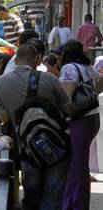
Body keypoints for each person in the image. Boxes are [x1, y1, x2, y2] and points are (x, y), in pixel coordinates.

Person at [0, 44, 73, 209]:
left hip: (27, 148)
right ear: (37, 59)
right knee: (54, 194)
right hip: (56, 145)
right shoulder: (49, 79)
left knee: (32, 195)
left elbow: (5, 118)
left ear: (16, 60)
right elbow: (69, 110)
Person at [59, 40, 100, 210]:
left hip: (79, 120)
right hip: (92, 118)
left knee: (76, 164)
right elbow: (99, 83)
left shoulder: (69, 69)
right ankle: (79, 202)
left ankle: (73, 204)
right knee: (81, 164)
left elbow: (66, 97)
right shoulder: (88, 68)